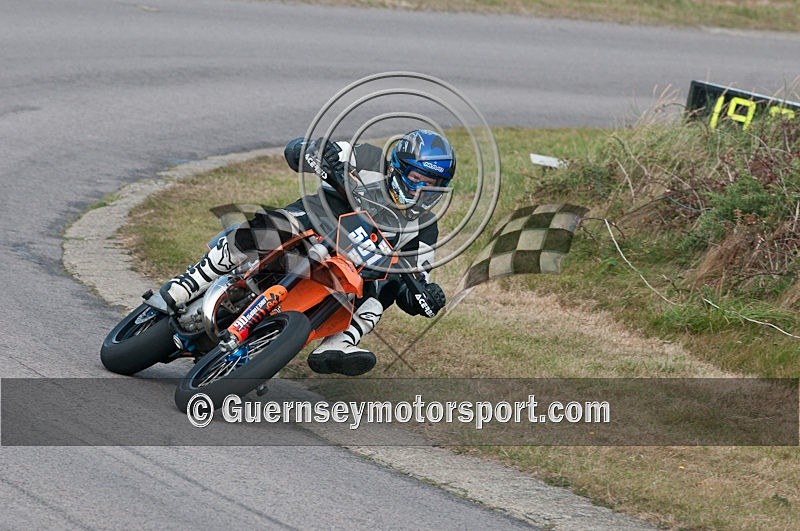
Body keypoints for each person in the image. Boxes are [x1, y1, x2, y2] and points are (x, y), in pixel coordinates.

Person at [159, 129, 455, 376]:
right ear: (399, 168)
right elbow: (302, 151)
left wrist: (423, 296)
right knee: (272, 227)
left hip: (350, 271)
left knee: (389, 285)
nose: (422, 192)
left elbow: (417, 279)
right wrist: (315, 153)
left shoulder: (425, 227)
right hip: (316, 222)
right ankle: (189, 283)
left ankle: (340, 343)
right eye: (418, 180)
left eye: (432, 187)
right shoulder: (368, 158)